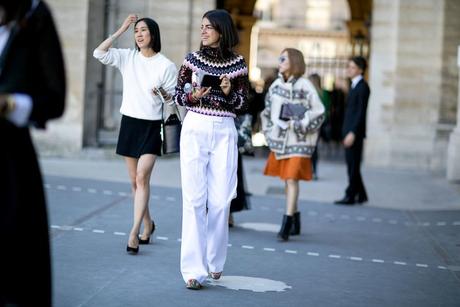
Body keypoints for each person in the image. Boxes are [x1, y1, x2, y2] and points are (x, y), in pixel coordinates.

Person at [174, 9, 249, 290]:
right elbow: (179, 94)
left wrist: (230, 92)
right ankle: (194, 270)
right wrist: (194, 95)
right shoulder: (192, 60)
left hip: (224, 131)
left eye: (209, 27)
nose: (203, 31)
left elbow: (244, 105)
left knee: (220, 200)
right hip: (195, 126)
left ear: (221, 30)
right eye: (202, 26)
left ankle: (215, 261)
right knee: (194, 200)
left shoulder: (238, 63)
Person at [93, 15, 177, 253]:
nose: (138, 34)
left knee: (142, 178)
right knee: (134, 181)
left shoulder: (166, 65)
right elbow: (98, 53)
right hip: (129, 123)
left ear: (154, 34)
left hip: (151, 127)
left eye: (143, 30)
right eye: (136, 31)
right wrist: (121, 29)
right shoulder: (127, 57)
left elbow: (172, 101)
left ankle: (134, 233)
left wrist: (160, 92)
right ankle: (148, 224)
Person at [0, 0, 65, 305]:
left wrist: (12, 105)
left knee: (15, 273)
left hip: (9, 160)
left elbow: (55, 99)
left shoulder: (34, 14)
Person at [261, 48, 324, 241]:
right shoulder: (276, 86)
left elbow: (319, 111)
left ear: (294, 62)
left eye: (284, 58)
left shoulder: (305, 86)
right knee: (288, 180)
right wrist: (271, 129)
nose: (279, 61)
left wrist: (298, 124)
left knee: (291, 179)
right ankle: (295, 216)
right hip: (281, 141)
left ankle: (286, 222)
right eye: (279, 58)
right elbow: (267, 111)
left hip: (300, 141)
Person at [334, 56, 370, 205]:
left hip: (353, 133)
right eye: (348, 66)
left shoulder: (363, 87)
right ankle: (361, 195)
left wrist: (353, 133)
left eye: (352, 67)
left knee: (353, 165)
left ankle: (350, 195)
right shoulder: (354, 85)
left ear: (360, 70)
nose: (349, 69)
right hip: (349, 131)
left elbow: (361, 112)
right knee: (352, 165)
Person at [308, 73, 331, 179]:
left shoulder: (311, 93)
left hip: (312, 123)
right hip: (317, 123)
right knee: (314, 148)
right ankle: (313, 171)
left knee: (310, 148)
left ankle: (311, 171)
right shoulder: (323, 93)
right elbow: (327, 110)